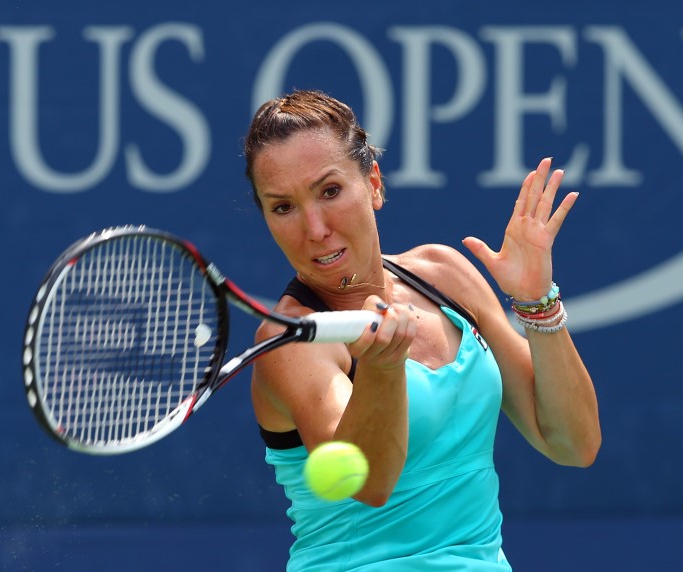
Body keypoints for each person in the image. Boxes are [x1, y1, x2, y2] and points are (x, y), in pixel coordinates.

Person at [243, 89, 601, 571]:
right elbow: (368, 483)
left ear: (372, 182)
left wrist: (537, 302)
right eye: (282, 207)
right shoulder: (294, 339)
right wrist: (382, 368)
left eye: (330, 191)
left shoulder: (443, 273)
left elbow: (573, 443)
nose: (315, 228)